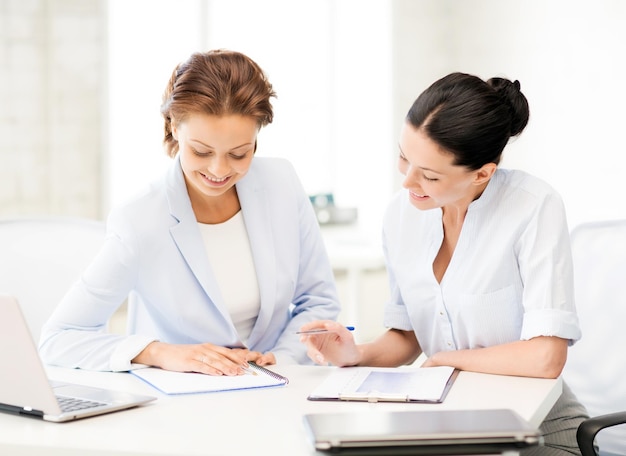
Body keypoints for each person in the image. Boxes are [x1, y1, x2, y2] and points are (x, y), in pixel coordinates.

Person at [300, 72, 589, 455]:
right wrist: (356, 354)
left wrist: (444, 361)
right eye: (404, 158)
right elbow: (409, 335)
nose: (407, 182)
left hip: (535, 432)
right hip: (446, 429)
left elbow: (546, 357)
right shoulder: (401, 215)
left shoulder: (532, 207)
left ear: (482, 173)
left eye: (430, 175)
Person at [39, 49, 340, 376]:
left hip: (276, 393)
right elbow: (59, 338)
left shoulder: (281, 183)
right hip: (178, 407)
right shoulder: (140, 219)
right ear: (173, 127)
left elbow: (318, 300)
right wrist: (158, 353)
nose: (219, 170)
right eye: (201, 151)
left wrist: (283, 358)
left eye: (239, 154)